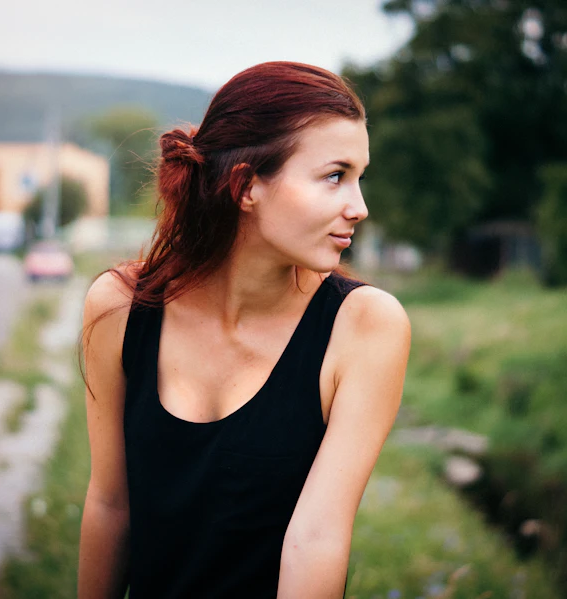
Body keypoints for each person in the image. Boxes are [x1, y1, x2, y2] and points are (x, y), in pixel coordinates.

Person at [77, 61, 411, 599]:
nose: (360, 207)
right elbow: (111, 504)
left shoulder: (365, 325)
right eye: (334, 176)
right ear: (246, 185)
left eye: (359, 177)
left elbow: (316, 538)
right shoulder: (119, 308)